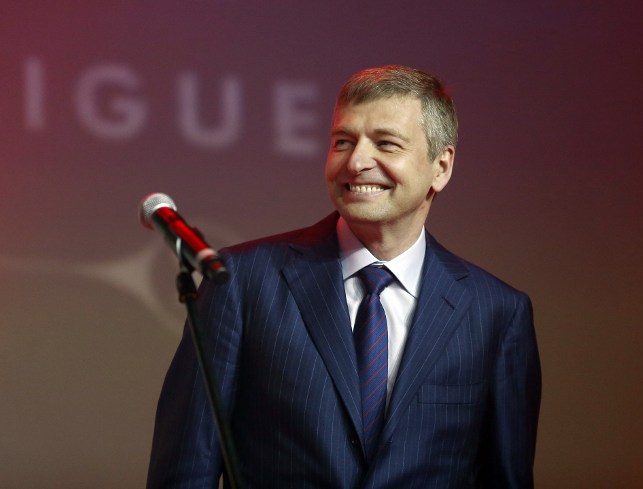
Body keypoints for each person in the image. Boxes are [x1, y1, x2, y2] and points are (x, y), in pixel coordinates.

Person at [147, 65, 541, 489]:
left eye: (386, 144)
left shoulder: (497, 312)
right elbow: (186, 469)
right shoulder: (241, 282)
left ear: (440, 167)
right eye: (342, 142)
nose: (355, 162)